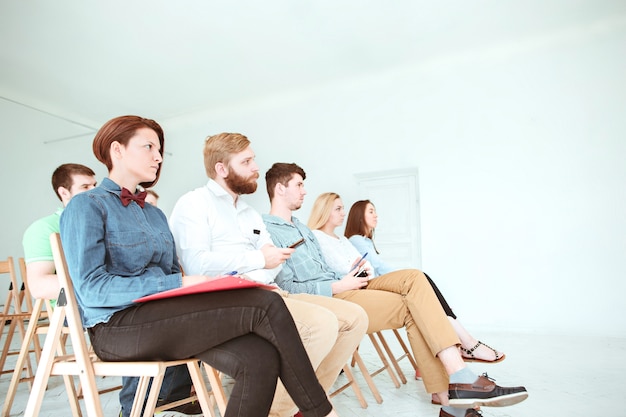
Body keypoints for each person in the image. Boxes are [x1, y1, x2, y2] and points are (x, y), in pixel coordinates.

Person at [59, 116, 341, 417]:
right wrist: (179, 283)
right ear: (117, 150)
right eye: (149, 147)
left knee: (259, 358)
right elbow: (91, 289)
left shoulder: (154, 215)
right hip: (115, 328)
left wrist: (198, 286)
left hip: (163, 319)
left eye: (160, 150)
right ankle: (321, 413)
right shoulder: (87, 205)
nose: (158, 157)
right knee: (266, 304)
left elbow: (171, 273)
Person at [262, 163, 528, 417]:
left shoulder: (303, 228)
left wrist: (349, 275)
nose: (304, 190)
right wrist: (338, 284)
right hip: (330, 296)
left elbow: (326, 267)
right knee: (413, 307)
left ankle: (458, 385)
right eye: (299, 184)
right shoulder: (266, 230)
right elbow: (287, 287)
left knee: (415, 278)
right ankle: (455, 395)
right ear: (280, 188)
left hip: (346, 282)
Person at [169, 132, 368, 417]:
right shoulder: (194, 204)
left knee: (354, 318)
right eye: (247, 161)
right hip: (228, 301)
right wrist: (258, 259)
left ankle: (302, 405)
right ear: (222, 169)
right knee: (321, 324)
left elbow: (273, 262)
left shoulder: (250, 213)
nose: (256, 168)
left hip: (269, 292)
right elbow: (199, 265)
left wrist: (266, 261)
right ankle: (275, 411)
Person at [22, 163, 198, 417]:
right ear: (63, 193)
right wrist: (103, 284)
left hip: (124, 295)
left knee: (175, 307)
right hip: (75, 304)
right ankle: (136, 403)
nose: (93, 190)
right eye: (85, 187)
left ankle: (167, 397)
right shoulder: (44, 228)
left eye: (94, 184)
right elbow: (39, 285)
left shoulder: (107, 213)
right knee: (133, 309)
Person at [309, 192, 507, 408]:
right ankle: (459, 374)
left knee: (416, 288)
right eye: (338, 208)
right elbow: (335, 271)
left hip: (366, 282)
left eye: (343, 208)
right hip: (351, 288)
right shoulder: (316, 237)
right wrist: (355, 271)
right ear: (325, 210)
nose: (343, 213)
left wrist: (361, 268)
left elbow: (364, 265)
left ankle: (447, 395)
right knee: (415, 278)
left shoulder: (344, 240)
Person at [343, 198, 504, 363]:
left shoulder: (366, 241)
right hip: (370, 289)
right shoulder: (356, 240)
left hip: (378, 286)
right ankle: (466, 342)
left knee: (422, 297)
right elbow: (379, 268)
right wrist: (406, 276)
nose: (376, 215)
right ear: (359, 216)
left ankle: (442, 352)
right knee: (421, 286)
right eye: (371, 211)